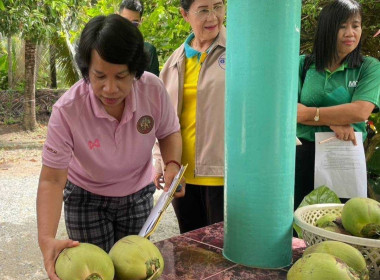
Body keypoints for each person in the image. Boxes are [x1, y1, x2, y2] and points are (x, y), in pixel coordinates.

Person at [36, 14, 184, 280]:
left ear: (136, 71)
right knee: (94, 272)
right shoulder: (68, 110)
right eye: (99, 76)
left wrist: (172, 165)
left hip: (137, 196)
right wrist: (46, 239)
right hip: (86, 199)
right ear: (86, 70)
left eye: (121, 76)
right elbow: (52, 180)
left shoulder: (153, 90)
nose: (110, 88)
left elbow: (169, 131)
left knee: (137, 270)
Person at [295, 0, 380, 209]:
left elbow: (360, 111)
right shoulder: (303, 64)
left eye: (355, 25)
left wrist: (312, 114)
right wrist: (336, 121)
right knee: (298, 223)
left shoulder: (368, 67)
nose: (350, 33)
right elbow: (289, 112)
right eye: (342, 26)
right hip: (303, 156)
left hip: (345, 154)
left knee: (340, 223)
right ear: (327, 29)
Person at [153, 0, 226, 234]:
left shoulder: (240, 52)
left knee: (223, 252)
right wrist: (159, 159)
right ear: (185, 14)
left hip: (223, 174)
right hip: (181, 173)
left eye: (218, 6)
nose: (213, 17)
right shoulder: (175, 60)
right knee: (191, 248)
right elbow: (160, 117)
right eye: (203, 10)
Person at [119, 0, 160, 76]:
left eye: (134, 23)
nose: (129, 27)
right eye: (125, 21)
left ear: (141, 22)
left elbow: (154, 85)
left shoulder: (148, 50)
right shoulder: (107, 45)